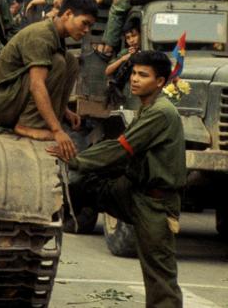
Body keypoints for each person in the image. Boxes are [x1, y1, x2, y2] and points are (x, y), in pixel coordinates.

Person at [51, 50, 185, 308]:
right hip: (134, 191)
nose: (134, 79)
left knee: (159, 273)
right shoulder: (147, 108)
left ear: (160, 82)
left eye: (143, 75)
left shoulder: (160, 112)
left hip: (156, 203)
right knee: (85, 186)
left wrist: (75, 159)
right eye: (133, 73)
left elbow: (121, 148)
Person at [0, 0, 98, 158]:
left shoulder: (56, 35)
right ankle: (28, 125)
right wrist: (57, 131)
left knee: (70, 61)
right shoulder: (42, 35)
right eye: (84, 23)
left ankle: (50, 119)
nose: (86, 30)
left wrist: (65, 111)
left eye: (90, 26)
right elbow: (36, 85)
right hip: (1, 104)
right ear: (67, 14)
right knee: (58, 62)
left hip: (14, 98)